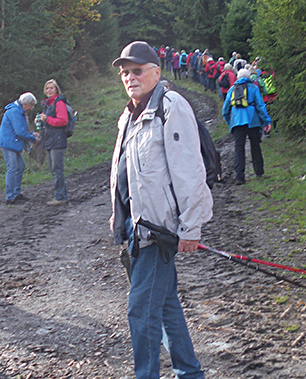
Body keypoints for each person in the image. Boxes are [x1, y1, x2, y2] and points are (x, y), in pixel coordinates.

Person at [109, 40, 213, 379]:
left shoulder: (171, 106)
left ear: (156, 71)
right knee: (166, 306)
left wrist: (191, 226)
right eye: (125, 72)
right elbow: (125, 171)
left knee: (141, 312)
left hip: (158, 230)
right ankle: (189, 372)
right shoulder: (129, 113)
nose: (130, 77)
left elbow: (189, 171)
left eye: (137, 71)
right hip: (137, 227)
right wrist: (118, 214)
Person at [222, 68, 272, 185]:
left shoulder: (231, 89)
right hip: (252, 121)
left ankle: (240, 177)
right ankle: (259, 172)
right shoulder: (253, 88)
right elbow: (260, 106)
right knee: (255, 146)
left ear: (238, 77)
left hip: (238, 122)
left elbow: (225, 110)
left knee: (239, 148)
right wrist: (266, 121)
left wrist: (231, 123)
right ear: (249, 77)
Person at [0, 92, 39, 205]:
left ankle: (16, 193)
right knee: (13, 167)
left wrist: (31, 134)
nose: (32, 108)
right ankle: (10, 197)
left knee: (20, 166)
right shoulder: (14, 112)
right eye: (32, 105)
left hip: (13, 143)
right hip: (8, 143)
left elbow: (22, 129)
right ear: (26, 104)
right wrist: (33, 139)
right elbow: (19, 132)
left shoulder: (19, 111)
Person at [37, 79, 69, 205]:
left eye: (51, 88)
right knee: (53, 169)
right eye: (47, 88)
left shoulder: (59, 102)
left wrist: (47, 119)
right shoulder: (47, 104)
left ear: (56, 89)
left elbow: (63, 121)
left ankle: (60, 197)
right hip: (49, 140)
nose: (49, 90)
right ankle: (59, 195)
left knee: (57, 169)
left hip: (57, 140)